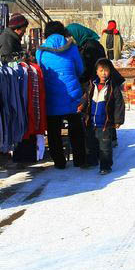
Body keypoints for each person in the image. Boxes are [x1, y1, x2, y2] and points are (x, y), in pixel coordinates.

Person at [36, 21, 87, 169]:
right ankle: (79, 159)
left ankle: (59, 162)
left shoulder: (41, 51)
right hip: (72, 94)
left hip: (51, 94)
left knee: (53, 131)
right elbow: (80, 69)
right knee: (76, 128)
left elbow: (40, 71)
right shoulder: (72, 48)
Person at [79, 58, 125, 175]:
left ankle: (105, 166)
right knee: (90, 143)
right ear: (96, 72)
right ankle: (91, 161)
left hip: (105, 122)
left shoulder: (112, 87)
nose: (103, 73)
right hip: (91, 121)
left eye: (106, 70)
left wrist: (118, 120)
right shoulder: (92, 85)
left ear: (110, 71)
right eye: (101, 70)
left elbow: (119, 103)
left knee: (105, 146)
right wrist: (81, 106)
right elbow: (86, 98)